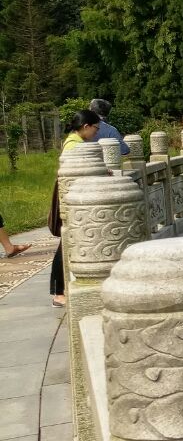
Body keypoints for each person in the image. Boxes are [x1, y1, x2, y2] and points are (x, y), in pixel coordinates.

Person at [49, 109, 101, 307]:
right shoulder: (75, 145)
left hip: (74, 201)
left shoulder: (76, 142)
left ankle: (60, 290)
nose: (96, 132)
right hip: (73, 203)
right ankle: (59, 292)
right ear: (86, 126)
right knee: (66, 244)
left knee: (67, 243)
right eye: (95, 128)